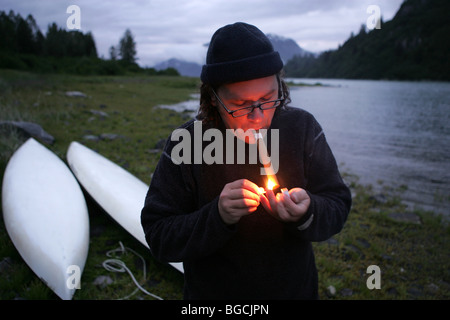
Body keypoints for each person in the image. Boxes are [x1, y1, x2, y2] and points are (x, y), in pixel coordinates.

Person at [141, 22, 352, 299]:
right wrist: (217, 216)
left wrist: (307, 212)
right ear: (213, 98)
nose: (257, 117)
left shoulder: (302, 129)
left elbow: (337, 204)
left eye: (267, 98)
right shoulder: (188, 142)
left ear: (281, 85)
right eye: (240, 104)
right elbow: (159, 237)